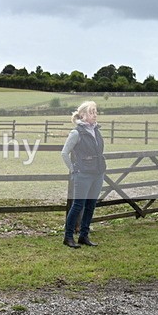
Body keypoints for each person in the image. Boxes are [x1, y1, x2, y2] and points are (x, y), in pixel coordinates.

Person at [61, 100, 106, 248]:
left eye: (95, 111)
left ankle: (84, 236)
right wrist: (73, 169)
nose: (95, 115)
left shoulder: (96, 130)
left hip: (97, 173)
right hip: (83, 174)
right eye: (91, 112)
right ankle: (68, 237)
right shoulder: (76, 132)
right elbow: (64, 153)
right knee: (78, 205)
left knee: (91, 205)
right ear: (83, 115)